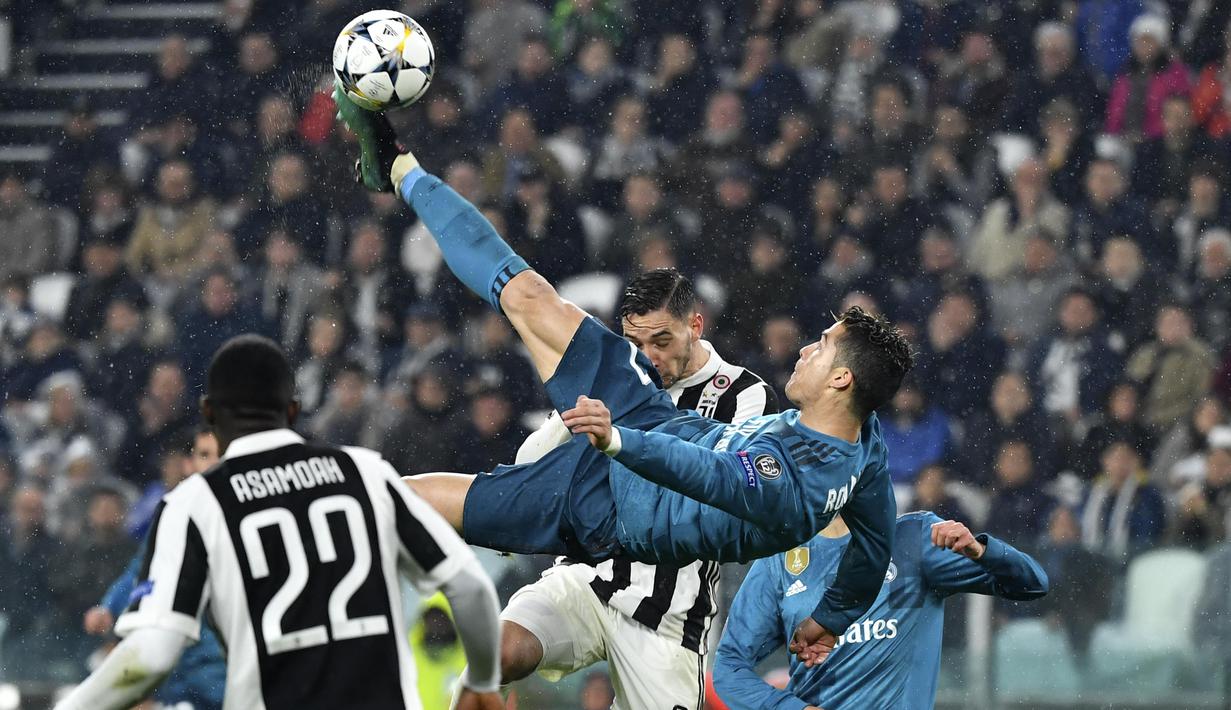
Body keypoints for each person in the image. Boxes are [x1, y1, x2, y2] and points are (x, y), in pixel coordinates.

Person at [338, 91, 915, 665]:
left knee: (454, 508)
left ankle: (324, 511)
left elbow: (710, 474)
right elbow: (874, 543)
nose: (807, 348)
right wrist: (831, 618)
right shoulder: (865, 447)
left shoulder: (787, 486)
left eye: (823, 348)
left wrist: (617, 441)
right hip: (644, 414)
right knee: (529, 296)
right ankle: (399, 166)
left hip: (611, 509)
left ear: (841, 380)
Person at [55, 335, 503, 710]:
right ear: (292, 411)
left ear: (209, 413)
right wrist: (481, 682)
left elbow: (150, 657)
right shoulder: (365, 472)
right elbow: (470, 587)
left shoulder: (195, 503)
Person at [499, 269, 778, 709]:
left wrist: (625, 440)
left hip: (670, 615)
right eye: (635, 344)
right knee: (498, 651)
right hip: (587, 578)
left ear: (695, 326)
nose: (648, 357)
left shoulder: (746, 397)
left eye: (661, 342)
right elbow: (530, 461)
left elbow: (730, 495)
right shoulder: (616, 377)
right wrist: (567, 420)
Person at [714, 513, 1048, 709]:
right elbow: (729, 667)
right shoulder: (781, 559)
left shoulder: (911, 538)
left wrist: (982, 550)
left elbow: (1031, 584)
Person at [83, 428, 226, 710]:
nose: (213, 464)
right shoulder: (173, 513)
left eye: (219, 456)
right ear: (190, 464)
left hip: (220, 659)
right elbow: (141, 570)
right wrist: (109, 607)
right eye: (204, 455)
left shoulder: (241, 514)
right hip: (177, 656)